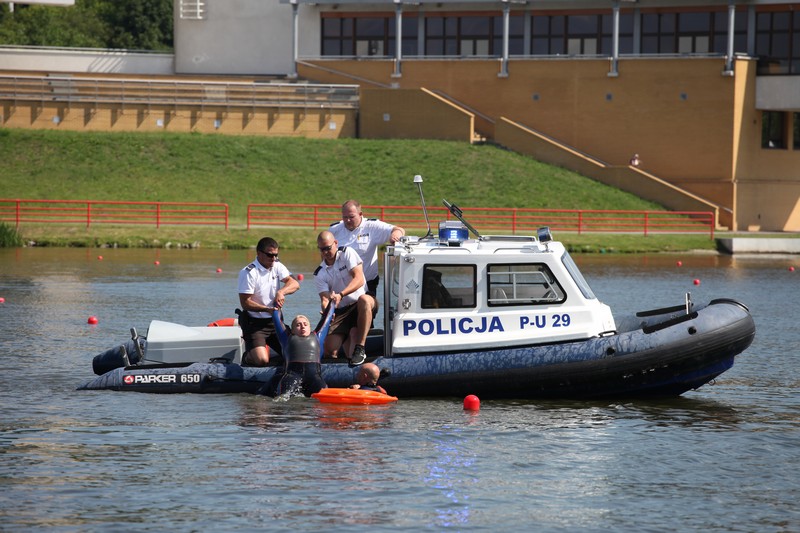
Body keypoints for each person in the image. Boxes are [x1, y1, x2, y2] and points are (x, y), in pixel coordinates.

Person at [237, 237, 300, 366]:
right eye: (270, 255)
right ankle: (247, 357)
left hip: (275, 321)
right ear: (259, 253)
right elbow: (245, 303)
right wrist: (267, 309)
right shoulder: (249, 272)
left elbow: (294, 283)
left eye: (276, 255)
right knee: (261, 361)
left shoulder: (277, 265)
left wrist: (281, 292)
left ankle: (272, 352)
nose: (273, 258)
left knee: (295, 354)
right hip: (255, 324)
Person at [313, 230, 372, 366]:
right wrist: (326, 310)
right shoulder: (319, 274)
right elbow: (324, 299)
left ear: (336, 243)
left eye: (328, 248)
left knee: (364, 300)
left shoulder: (347, 253)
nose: (326, 252)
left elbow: (359, 279)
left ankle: (360, 348)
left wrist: (341, 294)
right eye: (322, 249)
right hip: (341, 310)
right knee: (329, 350)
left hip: (360, 304)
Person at [329, 200, 405, 298]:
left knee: (365, 303)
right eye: (345, 217)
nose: (347, 220)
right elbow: (326, 256)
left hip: (367, 284)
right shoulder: (334, 230)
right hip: (342, 285)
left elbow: (398, 229)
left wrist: (395, 235)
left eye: (351, 217)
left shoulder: (372, 226)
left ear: (360, 214)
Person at [263, 303, 336, 397]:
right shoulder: (286, 337)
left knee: (325, 397)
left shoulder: (318, 337)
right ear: (292, 330)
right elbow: (277, 317)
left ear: (310, 328)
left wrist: (333, 301)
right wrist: (277, 301)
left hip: (314, 376)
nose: (303, 327)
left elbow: (327, 317)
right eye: (298, 325)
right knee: (283, 397)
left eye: (305, 324)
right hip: (292, 375)